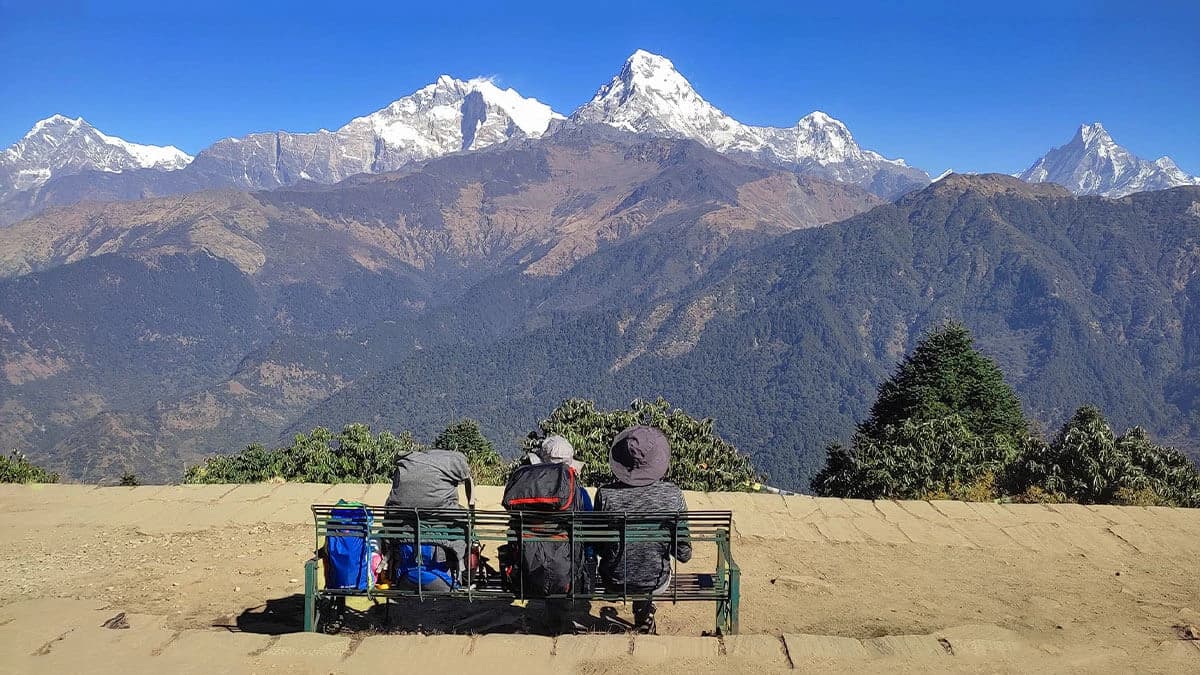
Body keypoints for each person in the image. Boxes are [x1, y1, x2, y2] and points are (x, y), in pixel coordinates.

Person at [594, 425, 691, 634]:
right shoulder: (672, 495)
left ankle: (644, 610)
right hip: (656, 580)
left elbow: (600, 546)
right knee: (648, 564)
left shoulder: (605, 495)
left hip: (614, 579)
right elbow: (684, 554)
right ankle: (644, 612)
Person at [384, 448, 476, 591]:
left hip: (403, 578)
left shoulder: (405, 465)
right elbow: (469, 487)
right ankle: (464, 577)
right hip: (446, 581)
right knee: (469, 531)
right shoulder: (454, 462)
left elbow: (389, 513)